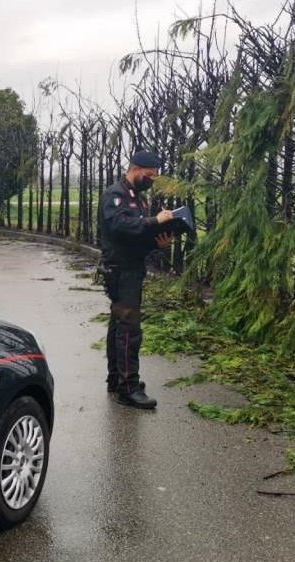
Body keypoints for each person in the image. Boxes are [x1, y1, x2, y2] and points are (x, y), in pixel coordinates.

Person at [98, 150, 175, 409]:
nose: (152, 180)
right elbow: (119, 225)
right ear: (136, 168)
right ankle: (129, 388)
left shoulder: (138, 199)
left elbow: (137, 235)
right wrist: (154, 220)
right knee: (129, 330)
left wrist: (158, 241)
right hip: (121, 271)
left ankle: (117, 379)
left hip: (132, 268)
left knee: (118, 326)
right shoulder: (116, 195)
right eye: (150, 175)